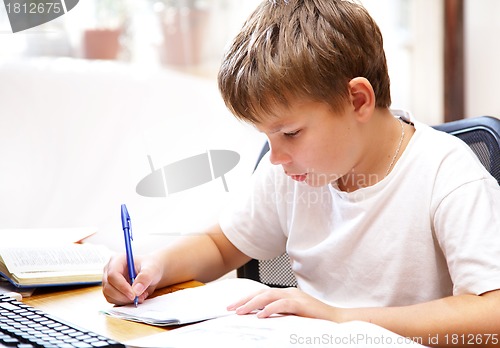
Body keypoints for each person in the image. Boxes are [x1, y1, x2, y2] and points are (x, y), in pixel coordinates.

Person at [103, 0, 500, 346]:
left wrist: (342, 320)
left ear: (357, 100)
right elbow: (222, 245)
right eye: (267, 136)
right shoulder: (292, 173)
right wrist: (153, 267)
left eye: (290, 133)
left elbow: (492, 319)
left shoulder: (447, 175)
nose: (275, 156)